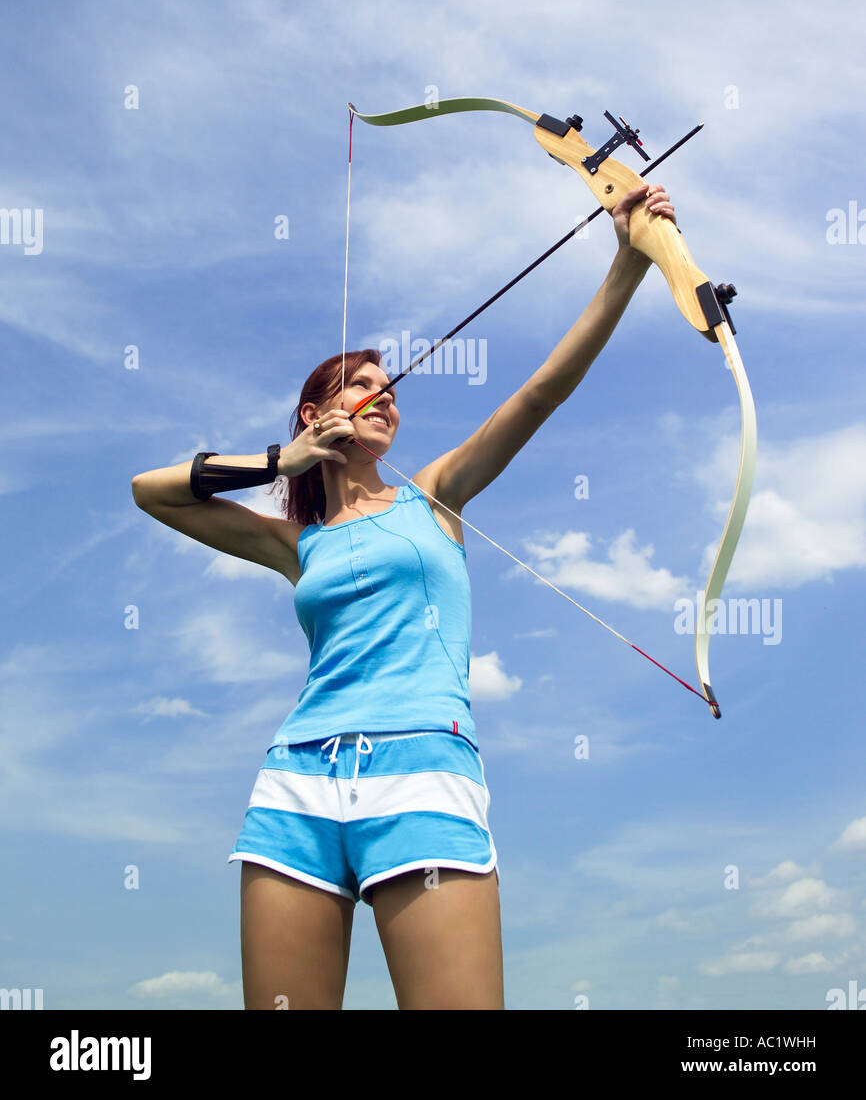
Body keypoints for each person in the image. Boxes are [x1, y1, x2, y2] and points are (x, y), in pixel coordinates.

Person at [131, 181, 676, 1010]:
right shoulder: (292, 543)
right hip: (296, 783)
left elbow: (540, 393)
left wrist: (628, 264)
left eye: (390, 385)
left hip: (421, 766)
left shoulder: (435, 496)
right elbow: (151, 490)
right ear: (317, 413)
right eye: (360, 384)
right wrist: (281, 463)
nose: (383, 393)